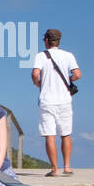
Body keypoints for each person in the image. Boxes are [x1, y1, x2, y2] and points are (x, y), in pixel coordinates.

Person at [31, 28, 81, 176]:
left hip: (47, 100)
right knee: (65, 134)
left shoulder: (41, 56)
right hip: (65, 100)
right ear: (58, 41)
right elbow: (77, 74)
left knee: (50, 135)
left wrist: (38, 83)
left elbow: (35, 73)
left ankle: (54, 169)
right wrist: (68, 79)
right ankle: (67, 167)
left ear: (46, 40)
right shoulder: (68, 55)